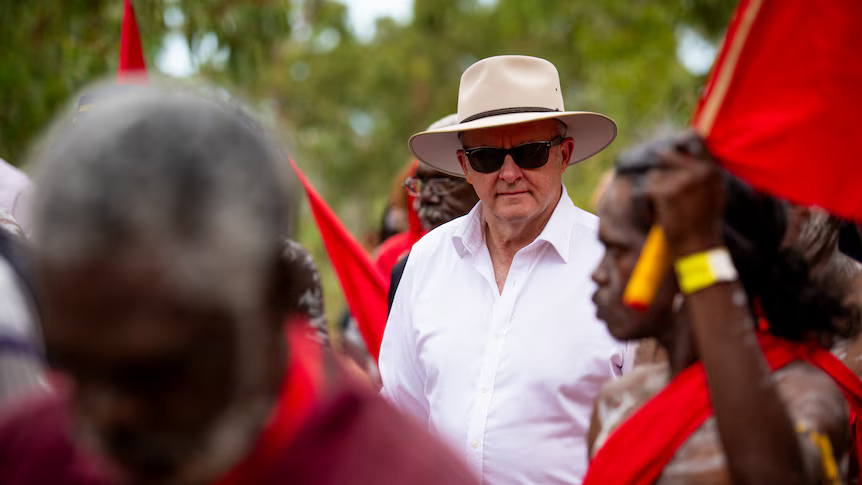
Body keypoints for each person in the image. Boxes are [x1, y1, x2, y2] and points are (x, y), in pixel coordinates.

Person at [0, 87, 479, 485]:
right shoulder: (30, 452)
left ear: (272, 297)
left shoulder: (398, 473)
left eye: (155, 370)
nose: (113, 413)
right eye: (80, 364)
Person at [379, 55, 632, 484]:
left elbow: (654, 430)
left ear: (564, 155)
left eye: (531, 153)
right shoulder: (426, 262)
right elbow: (401, 421)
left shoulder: (617, 262)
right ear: (464, 166)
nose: (510, 172)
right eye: (487, 157)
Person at [586, 134, 860, 484]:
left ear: (689, 256)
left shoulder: (807, 400)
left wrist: (701, 253)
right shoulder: (617, 402)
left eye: (618, 251)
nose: (597, 273)